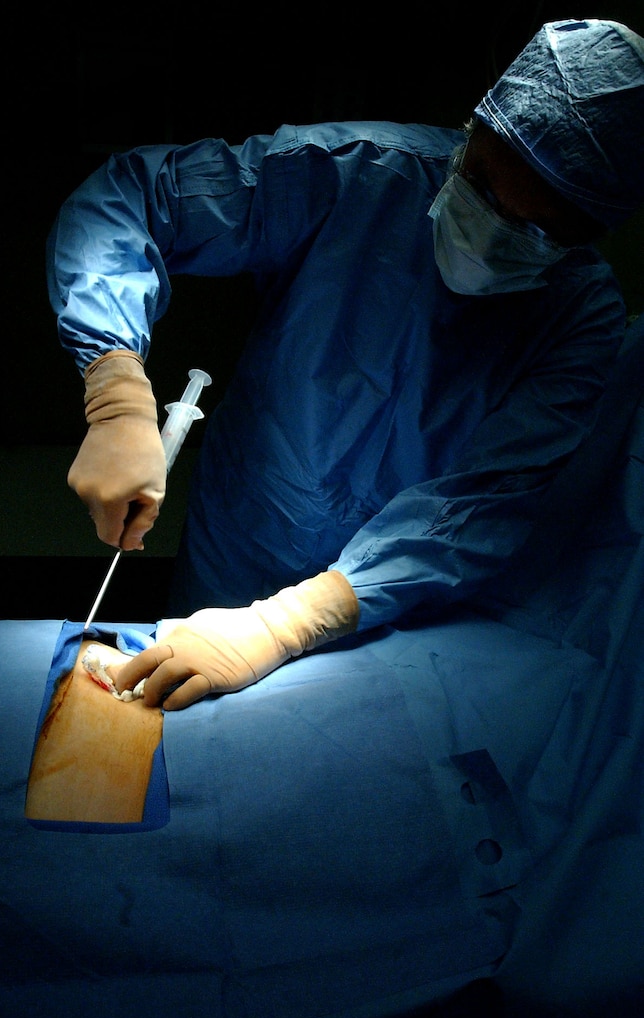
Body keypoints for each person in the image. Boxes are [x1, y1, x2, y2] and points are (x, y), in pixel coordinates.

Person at [46, 18, 644, 711]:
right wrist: (114, 389)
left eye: (536, 228)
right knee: (185, 747)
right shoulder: (352, 176)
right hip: (246, 538)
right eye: (481, 183)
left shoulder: (581, 320)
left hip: (389, 609)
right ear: (474, 126)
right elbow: (129, 201)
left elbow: (485, 505)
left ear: (592, 232)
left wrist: (292, 623)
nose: (491, 229)